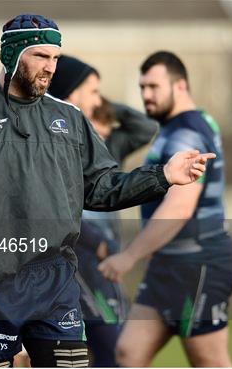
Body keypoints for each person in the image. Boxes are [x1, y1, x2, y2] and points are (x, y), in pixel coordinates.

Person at [0, 14, 214, 368]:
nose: (50, 67)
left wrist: (163, 176)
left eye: (55, 58)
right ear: (12, 55)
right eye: (40, 56)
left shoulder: (69, 118)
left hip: (55, 281)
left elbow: (102, 187)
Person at [99, 51, 232, 367]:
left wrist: (130, 255)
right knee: (128, 353)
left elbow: (180, 205)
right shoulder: (182, 126)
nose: (146, 95)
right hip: (167, 265)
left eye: (153, 87)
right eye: (142, 87)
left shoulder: (187, 133)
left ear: (180, 86)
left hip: (198, 263)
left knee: (208, 360)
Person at [48, 55, 159, 367]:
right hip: (80, 257)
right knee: (109, 348)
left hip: (105, 256)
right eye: (94, 90)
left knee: (113, 348)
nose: (99, 99)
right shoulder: (55, 143)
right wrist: (94, 238)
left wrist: (102, 106)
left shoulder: (107, 146)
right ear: (71, 94)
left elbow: (145, 126)